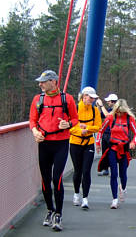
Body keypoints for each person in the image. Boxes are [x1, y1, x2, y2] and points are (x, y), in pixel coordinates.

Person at [29, 70, 78, 231]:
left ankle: (58, 214)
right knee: (45, 179)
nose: (40, 84)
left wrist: (68, 124)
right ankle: (49, 210)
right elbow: (32, 120)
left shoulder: (67, 99)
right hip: (44, 143)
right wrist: (35, 132)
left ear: (53, 81)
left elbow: (75, 119)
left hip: (61, 144)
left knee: (57, 178)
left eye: (43, 81)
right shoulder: (38, 99)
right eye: (40, 82)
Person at [96, 99, 136, 209]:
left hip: (124, 149)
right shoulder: (111, 118)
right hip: (113, 148)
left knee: (123, 173)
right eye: (118, 111)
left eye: (121, 112)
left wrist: (133, 142)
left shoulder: (130, 119)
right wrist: (98, 143)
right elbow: (100, 130)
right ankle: (114, 199)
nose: (119, 114)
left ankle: (123, 188)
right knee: (114, 174)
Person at [69, 86, 102, 209]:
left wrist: (87, 128)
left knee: (86, 171)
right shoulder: (75, 109)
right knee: (77, 170)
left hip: (89, 142)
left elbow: (98, 126)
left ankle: (85, 198)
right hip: (75, 143)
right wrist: (79, 131)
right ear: (84, 96)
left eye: (94, 98)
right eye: (90, 97)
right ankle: (76, 194)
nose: (92, 100)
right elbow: (70, 126)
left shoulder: (95, 111)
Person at [96, 93, 118, 176]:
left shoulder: (117, 110)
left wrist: (102, 106)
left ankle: (113, 170)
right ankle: (105, 169)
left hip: (113, 135)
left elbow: (108, 116)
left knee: (112, 153)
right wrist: (98, 106)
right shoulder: (108, 109)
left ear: (113, 102)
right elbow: (99, 115)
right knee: (105, 152)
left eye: (109, 101)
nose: (107, 103)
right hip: (105, 134)